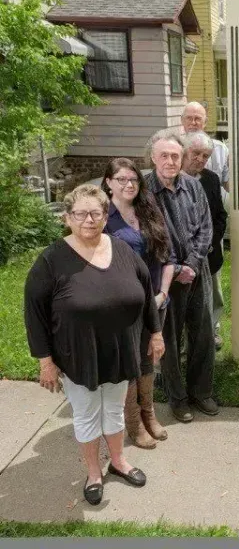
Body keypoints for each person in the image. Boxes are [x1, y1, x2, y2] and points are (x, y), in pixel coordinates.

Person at [24, 184, 164, 506]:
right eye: (80, 214)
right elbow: (34, 314)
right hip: (77, 355)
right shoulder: (51, 260)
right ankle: (93, 472)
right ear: (68, 218)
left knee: (113, 410)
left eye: (96, 213)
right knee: (87, 414)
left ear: (105, 216)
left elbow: (146, 293)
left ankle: (117, 462)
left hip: (119, 351)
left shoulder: (122, 250)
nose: (89, 220)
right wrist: (45, 361)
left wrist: (155, 334)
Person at [101, 158, 175, 449]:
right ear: (108, 182)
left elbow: (167, 256)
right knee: (129, 364)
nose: (129, 184)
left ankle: (149, 414)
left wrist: (164, 294)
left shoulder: (149, 210)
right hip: (124, 306)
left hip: (156, 301)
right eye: (121, 179)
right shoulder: (103, 218)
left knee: (149, 358)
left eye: (133, 179)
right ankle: (133, 423)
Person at [146, 133, 216, 423]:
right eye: (164, 155)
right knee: (170, 342)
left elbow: (205, 227)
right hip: (166, 278)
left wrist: (192, 264)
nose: (170, 161)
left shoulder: (193, 186)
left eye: (175, 156)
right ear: (153, 157)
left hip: (197, 271)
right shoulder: (144, 192)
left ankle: (201, 392)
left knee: (203, 334)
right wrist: (175, 268)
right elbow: (148, 236)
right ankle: (178, 398)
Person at [182, 132, 228, 288]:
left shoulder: (211, 179)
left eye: (206, 156)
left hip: (209, 255)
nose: (201, 159)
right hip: (180, 261)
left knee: (209, 304)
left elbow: (220, 215)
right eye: (196, 153)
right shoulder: (172, 179)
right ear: (184, 151)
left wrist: (210, 242)